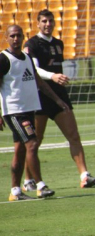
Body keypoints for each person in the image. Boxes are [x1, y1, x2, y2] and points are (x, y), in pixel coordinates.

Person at [23, 9, 95, 191]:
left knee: (73, 135)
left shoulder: (59, 44)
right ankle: (28, 180)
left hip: (59, 96)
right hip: (40, 97)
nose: (48, 24)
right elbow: (35, 71)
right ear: (38, 23)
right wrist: (53, 76)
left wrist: (57, 79)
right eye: (44, 21)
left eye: (50, 21)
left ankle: (84, 176)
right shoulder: (32, 44)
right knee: (35, 142)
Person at [1, 25, 70, 201]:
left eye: (19, 35)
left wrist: (57, 100)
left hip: (29, 109)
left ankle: (15, 191)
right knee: (32, 143)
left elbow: (39, 82)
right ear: (6, 38)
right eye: (12, 36)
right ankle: (40, 185)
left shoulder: (26, 58)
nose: (16, 39)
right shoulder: (3, 59)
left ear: (23, 37)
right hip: (14, 111)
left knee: (20, 150)